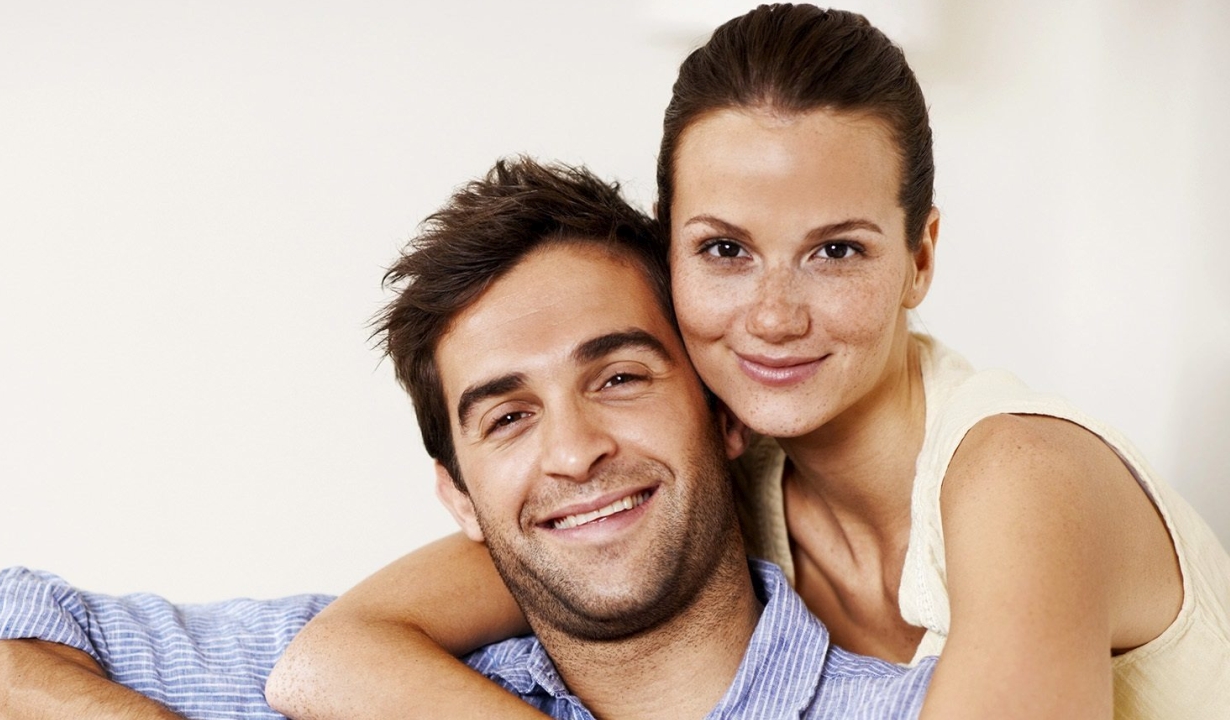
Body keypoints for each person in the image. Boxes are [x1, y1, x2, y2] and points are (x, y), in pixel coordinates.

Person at [263, 5, 1230, 720]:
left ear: (921, 258)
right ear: (670, 253)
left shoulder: (1023, 477)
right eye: (725, 250)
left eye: (837, 250)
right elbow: (331, 657)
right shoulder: (718, 474)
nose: (772, 317)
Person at [0, 159, 937, 719]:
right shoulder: (366, 675)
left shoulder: (910, 710)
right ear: (458, 495)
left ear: (722, 406)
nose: (573, 450)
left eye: (617, 376)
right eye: (507, 416)